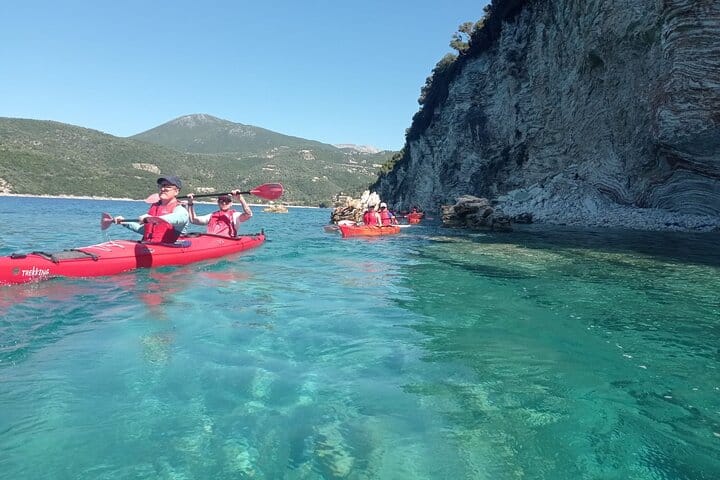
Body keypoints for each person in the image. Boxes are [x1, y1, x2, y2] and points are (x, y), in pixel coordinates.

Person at [113, 175, 189, 243]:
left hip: (166, 249)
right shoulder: (155, 207)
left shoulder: (181, 211)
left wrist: (151, 218)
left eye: (167, 187)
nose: (162, 189)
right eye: (161, 186)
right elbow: (144, 230)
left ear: (176, 191)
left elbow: (175, 218)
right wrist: (124, 222)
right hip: (148, 245)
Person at [186, 190, 252, 237]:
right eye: (221, 201)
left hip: (227, 243)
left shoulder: (235, 215)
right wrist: (190, 203)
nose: (224, 203)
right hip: (210, 242)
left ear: (231, 204)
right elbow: (193, 220)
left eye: (227, 201)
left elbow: (249, 214)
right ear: (218, 203)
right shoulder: (211, 216)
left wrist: (240, 198)